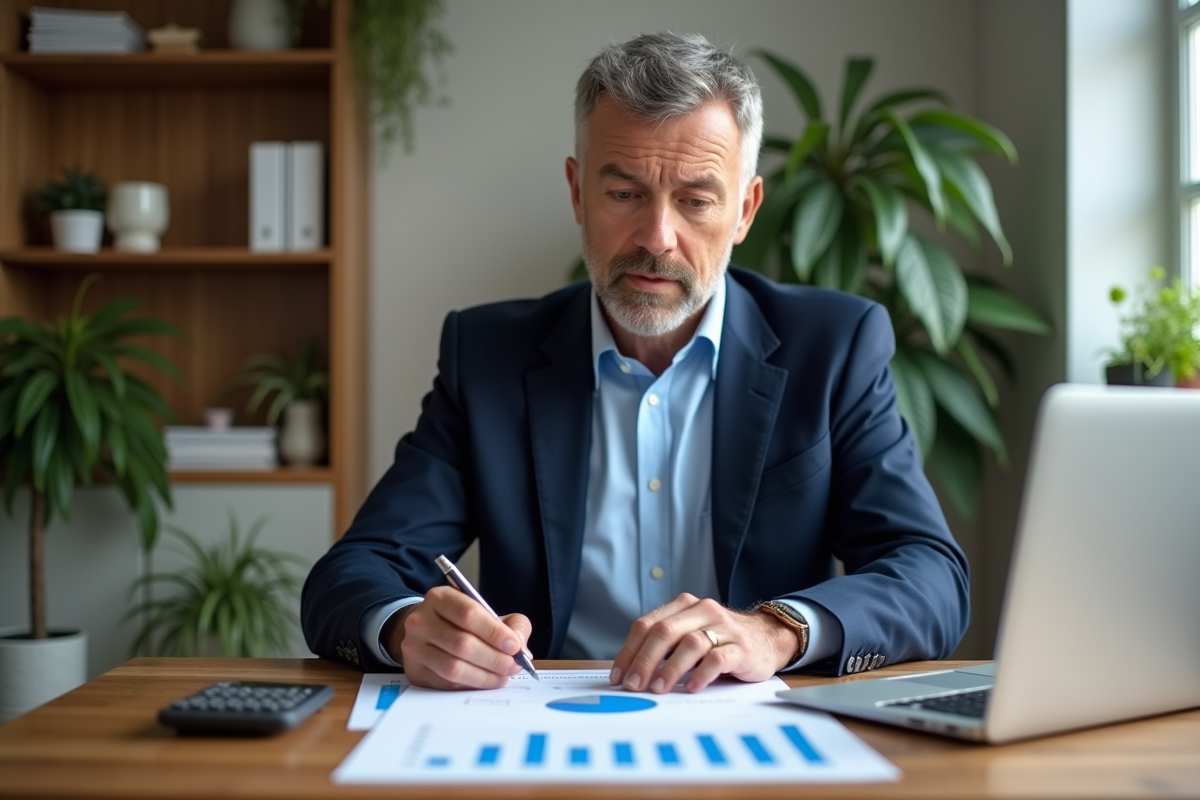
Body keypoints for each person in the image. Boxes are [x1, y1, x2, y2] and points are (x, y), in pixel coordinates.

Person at [301, 32, 969, 694]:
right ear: (577, 192)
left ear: (745, 210)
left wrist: (777, 630)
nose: (656, 238)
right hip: (542, 733)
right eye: (624, 194)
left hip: (753, 736)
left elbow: (930, 574)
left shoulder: (835, 345)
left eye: (696, 200)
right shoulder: (488, 357)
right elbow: (354, 571)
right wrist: (403, 628)